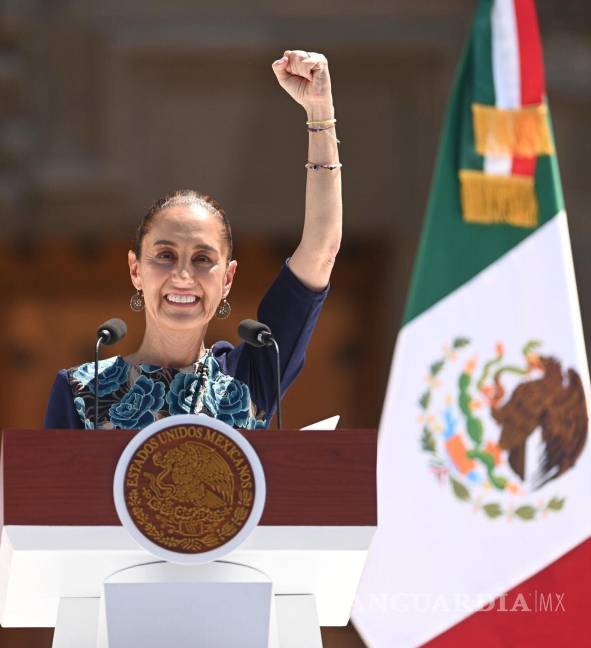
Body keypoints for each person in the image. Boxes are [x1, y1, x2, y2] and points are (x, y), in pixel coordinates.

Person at [44, 50, 341, 430]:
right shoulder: (80, 391)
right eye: (165, 255)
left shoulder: (249, 378)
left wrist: (320, 115)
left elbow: (322, 250)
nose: (183, 275)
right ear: (135, 269)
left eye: (203, 259)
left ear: (228, 278)